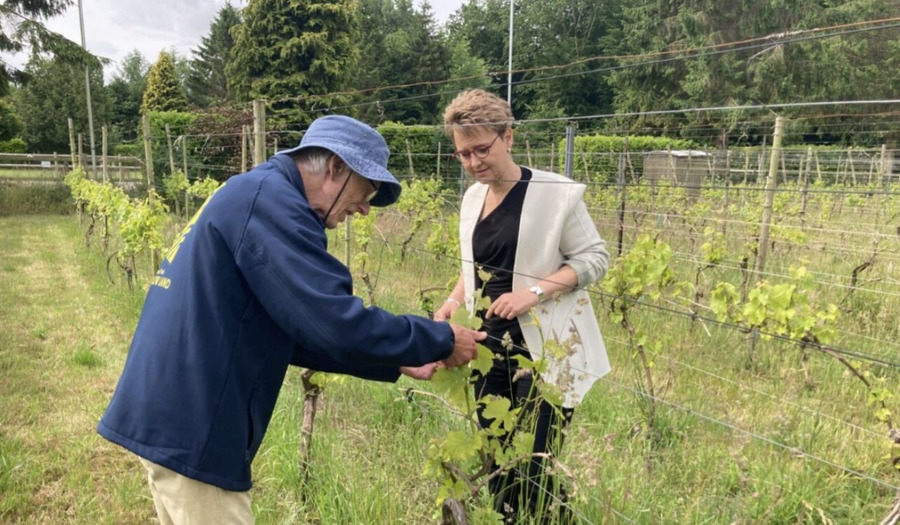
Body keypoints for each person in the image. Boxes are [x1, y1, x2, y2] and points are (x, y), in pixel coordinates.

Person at [97, 115, 485, 525]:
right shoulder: (273, 202)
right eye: (366, 190)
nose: (367, 209)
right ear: (335, 168)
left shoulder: (255, 192)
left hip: (171, 411)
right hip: (193, 424)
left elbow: (295, 327)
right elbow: (333, 323)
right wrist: (440, 338)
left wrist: (396, 359)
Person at [435, 89, 610, 523]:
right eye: (463, 155)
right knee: (496, 456)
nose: (473, 163)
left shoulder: (556, 194)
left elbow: (594, 259)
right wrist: (454, 300)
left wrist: (534, 292)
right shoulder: (473, 197)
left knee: (536, 462)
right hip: (487, 348)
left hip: (545, 352)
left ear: (508, 137)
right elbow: (474, 264)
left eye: (482, 149)